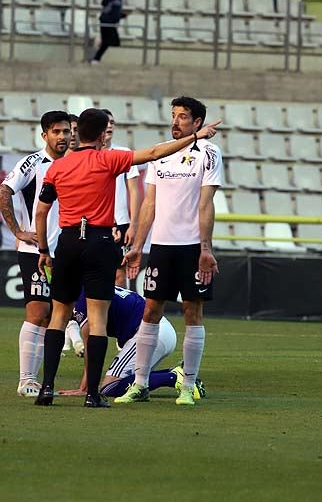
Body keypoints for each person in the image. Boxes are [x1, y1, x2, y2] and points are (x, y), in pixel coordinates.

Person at [33, 107, 220, 408]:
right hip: (99, 240)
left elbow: (41, 211)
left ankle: (46, 388)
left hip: (67, 241)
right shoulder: (108, 159)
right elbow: (156, 152)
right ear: (101, 134)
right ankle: (93, 394)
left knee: (57, 317)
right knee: (97, 320)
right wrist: (196, 136)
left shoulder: (58, 167)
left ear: (78, 132)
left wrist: (43, 249)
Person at [120, 96, 222, 406]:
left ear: (197, 123)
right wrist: (138, 244)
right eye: (174, 115)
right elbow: (149, 203)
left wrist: (206, 248)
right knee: (151, 311)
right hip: (161, 247)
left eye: (182, 117)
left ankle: (188, 385)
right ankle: (139, 384)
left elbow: (206, 204)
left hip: (192, 246)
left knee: (192, 312)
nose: (175, 121)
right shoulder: (161, 155)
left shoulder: (209, 153)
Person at [0, 111, 73, 397]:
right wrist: (18, 231)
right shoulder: (33, 162)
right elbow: (4, 192)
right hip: (36, 250)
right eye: (56, 132)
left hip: (67, 250)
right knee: (38, 311)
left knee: (62, 312)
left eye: (66, 131)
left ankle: (49, 378)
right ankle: (26, 379)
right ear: (45, 135)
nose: (63, 137)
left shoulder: (75, 163)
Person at [60, 286, 205, 400]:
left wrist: (85, 389)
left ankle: (173, 377)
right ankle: (179, 373)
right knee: (133, 379)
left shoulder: (83, 297)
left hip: (148, 333)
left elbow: (91, 347)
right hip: (159, 331)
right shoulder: (91, 287)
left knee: (110, 387)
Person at [102, 109, 140, 289]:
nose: (109, 125)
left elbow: (134, 190)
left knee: (119, 276)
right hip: (96, 223)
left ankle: (117, 316)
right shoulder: (87, 154)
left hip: (122, 223)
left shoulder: (124, 153)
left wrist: (133, 225)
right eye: (106, 122)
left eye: (112, 122)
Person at [91, 0, 127, 65]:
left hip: (111, 22)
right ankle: (96, 58)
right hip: (106, 21)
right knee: (108, 42)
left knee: (115, 42)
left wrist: (122, 15)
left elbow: (115, 12)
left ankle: (99, 41)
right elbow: (107, 6)